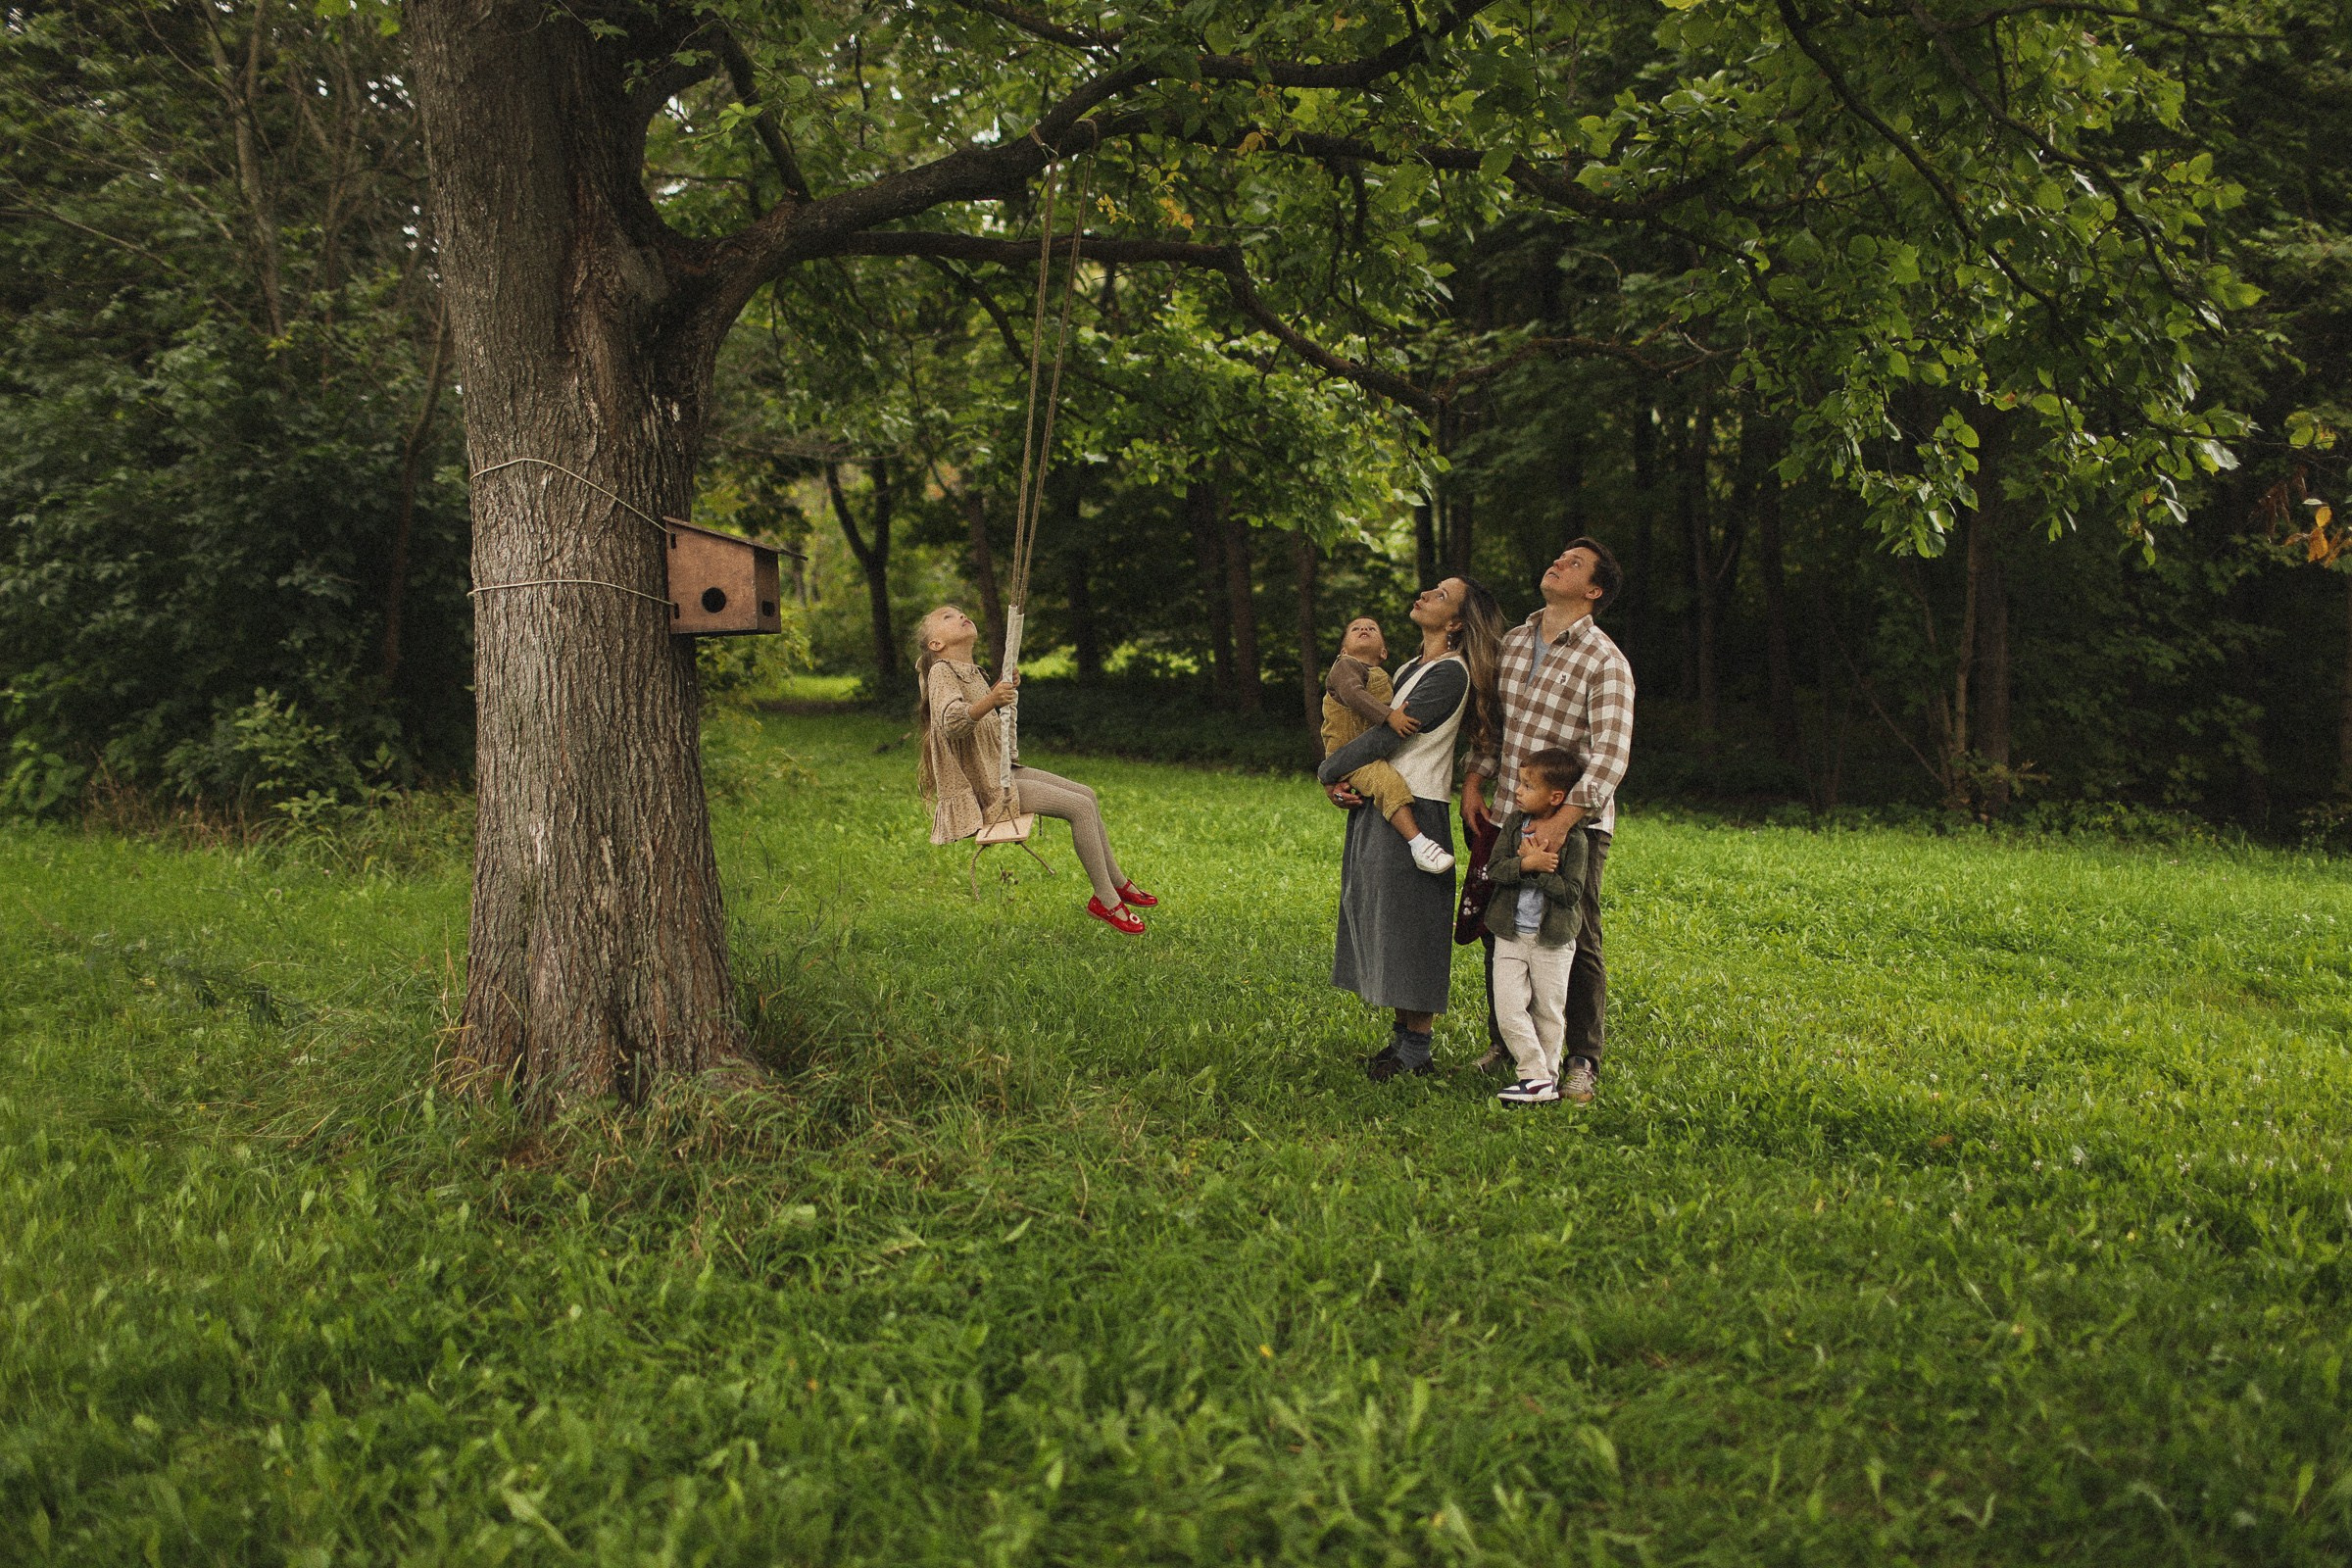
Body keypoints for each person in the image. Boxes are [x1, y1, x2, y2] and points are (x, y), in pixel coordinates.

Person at [1462, 539, 1634, 1105]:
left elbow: (1611, 754)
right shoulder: (1514, 643)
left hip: (1577, 822)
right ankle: (1510, 1048)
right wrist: (1473, 781)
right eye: (1558, 554)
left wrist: (1563, 821)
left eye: (1575, 563)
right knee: (1500, 921)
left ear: (1594, 591)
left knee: (1572, 930)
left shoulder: (1604, 660)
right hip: (1511, 815)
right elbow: (1493, 723)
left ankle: (1582, 1058)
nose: (1558, 561)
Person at [1316, 576, 1505, 1080]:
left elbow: (1387, 737)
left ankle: (1417, 1049)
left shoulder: (1450, 674)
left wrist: (1328, 769)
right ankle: (1402, 1042)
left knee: (1416, 926)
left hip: (1418, 806)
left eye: (1439, 596)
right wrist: (1343, 780)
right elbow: (1363, 727)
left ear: (1456, 623)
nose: (1424, 595)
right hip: (1384, 801)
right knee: (1389, 923)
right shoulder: (1403, 668)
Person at [912, 605, 1155, 933]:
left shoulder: (973, 674)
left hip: (1001, 773)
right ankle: (1106, 901)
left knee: (1087, 794)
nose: (960, 616)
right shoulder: (941, 671)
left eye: (960, 612)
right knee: (1080, 807)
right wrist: (993, 699)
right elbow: (952, 722)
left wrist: (1001, 693)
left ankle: (1118, 881)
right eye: (947, 617)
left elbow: (989, 731)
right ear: (936, 645)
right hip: (988, 790)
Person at [1477, 748, 1593, 1106]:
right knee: (1509, 1009)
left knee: (1548, 1012)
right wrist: (1526, 864)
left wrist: (1542, 870)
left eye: (1528, 785)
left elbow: (1572, 893)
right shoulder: (1514, 826)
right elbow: (1494, 870)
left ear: (1556, 797)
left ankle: (1547, 1083)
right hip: (1510, 935)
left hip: (1552, 942)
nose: (1518, 790)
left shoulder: (1576, 841)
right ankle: (1535, 1077)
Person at [1321, 615, 1455, 875]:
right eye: (1355, 628)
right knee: (1388, 783)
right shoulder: (1345, 666)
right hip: (1349, 754)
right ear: (1343, 650)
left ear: (1383, 652)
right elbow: (1352, 694)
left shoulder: (1387, 675)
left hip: (1367, 752)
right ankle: (1419, 844)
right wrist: (1389, 717)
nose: (1364, 629)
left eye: (1372, 628)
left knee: (1387, 780)